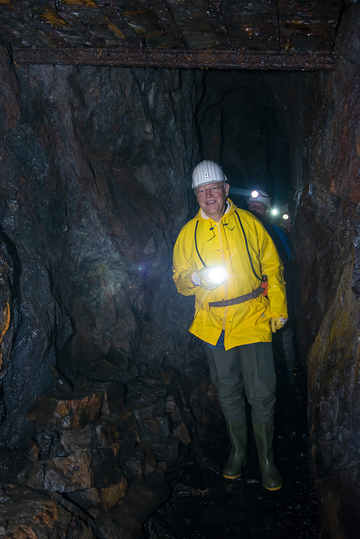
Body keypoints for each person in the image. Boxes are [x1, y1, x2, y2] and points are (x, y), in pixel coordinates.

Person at [172, 161, 288, 491]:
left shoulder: (250, 224)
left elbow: (272, 267)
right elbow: (179, 280)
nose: (209, 195)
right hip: (214, 323)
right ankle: (238, 451)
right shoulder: (188, 234)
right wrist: (194, 277)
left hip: (251, 316)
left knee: (262, 393)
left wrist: (277, 308)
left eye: (214, 188)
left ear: (225, 189)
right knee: (227, 391)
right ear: (196, 195)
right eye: (201, 191)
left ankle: (267, 459)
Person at [247, 191, 296, 388]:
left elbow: (288, 263)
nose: (254, 209)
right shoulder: (239, 231)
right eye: (252, 206)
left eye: (259, 207)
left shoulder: (278, 232)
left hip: (275, 295)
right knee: (257, 344)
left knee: (284, 338)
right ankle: (261, 385)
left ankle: (290, 380)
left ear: (266, 210)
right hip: (251, 299)